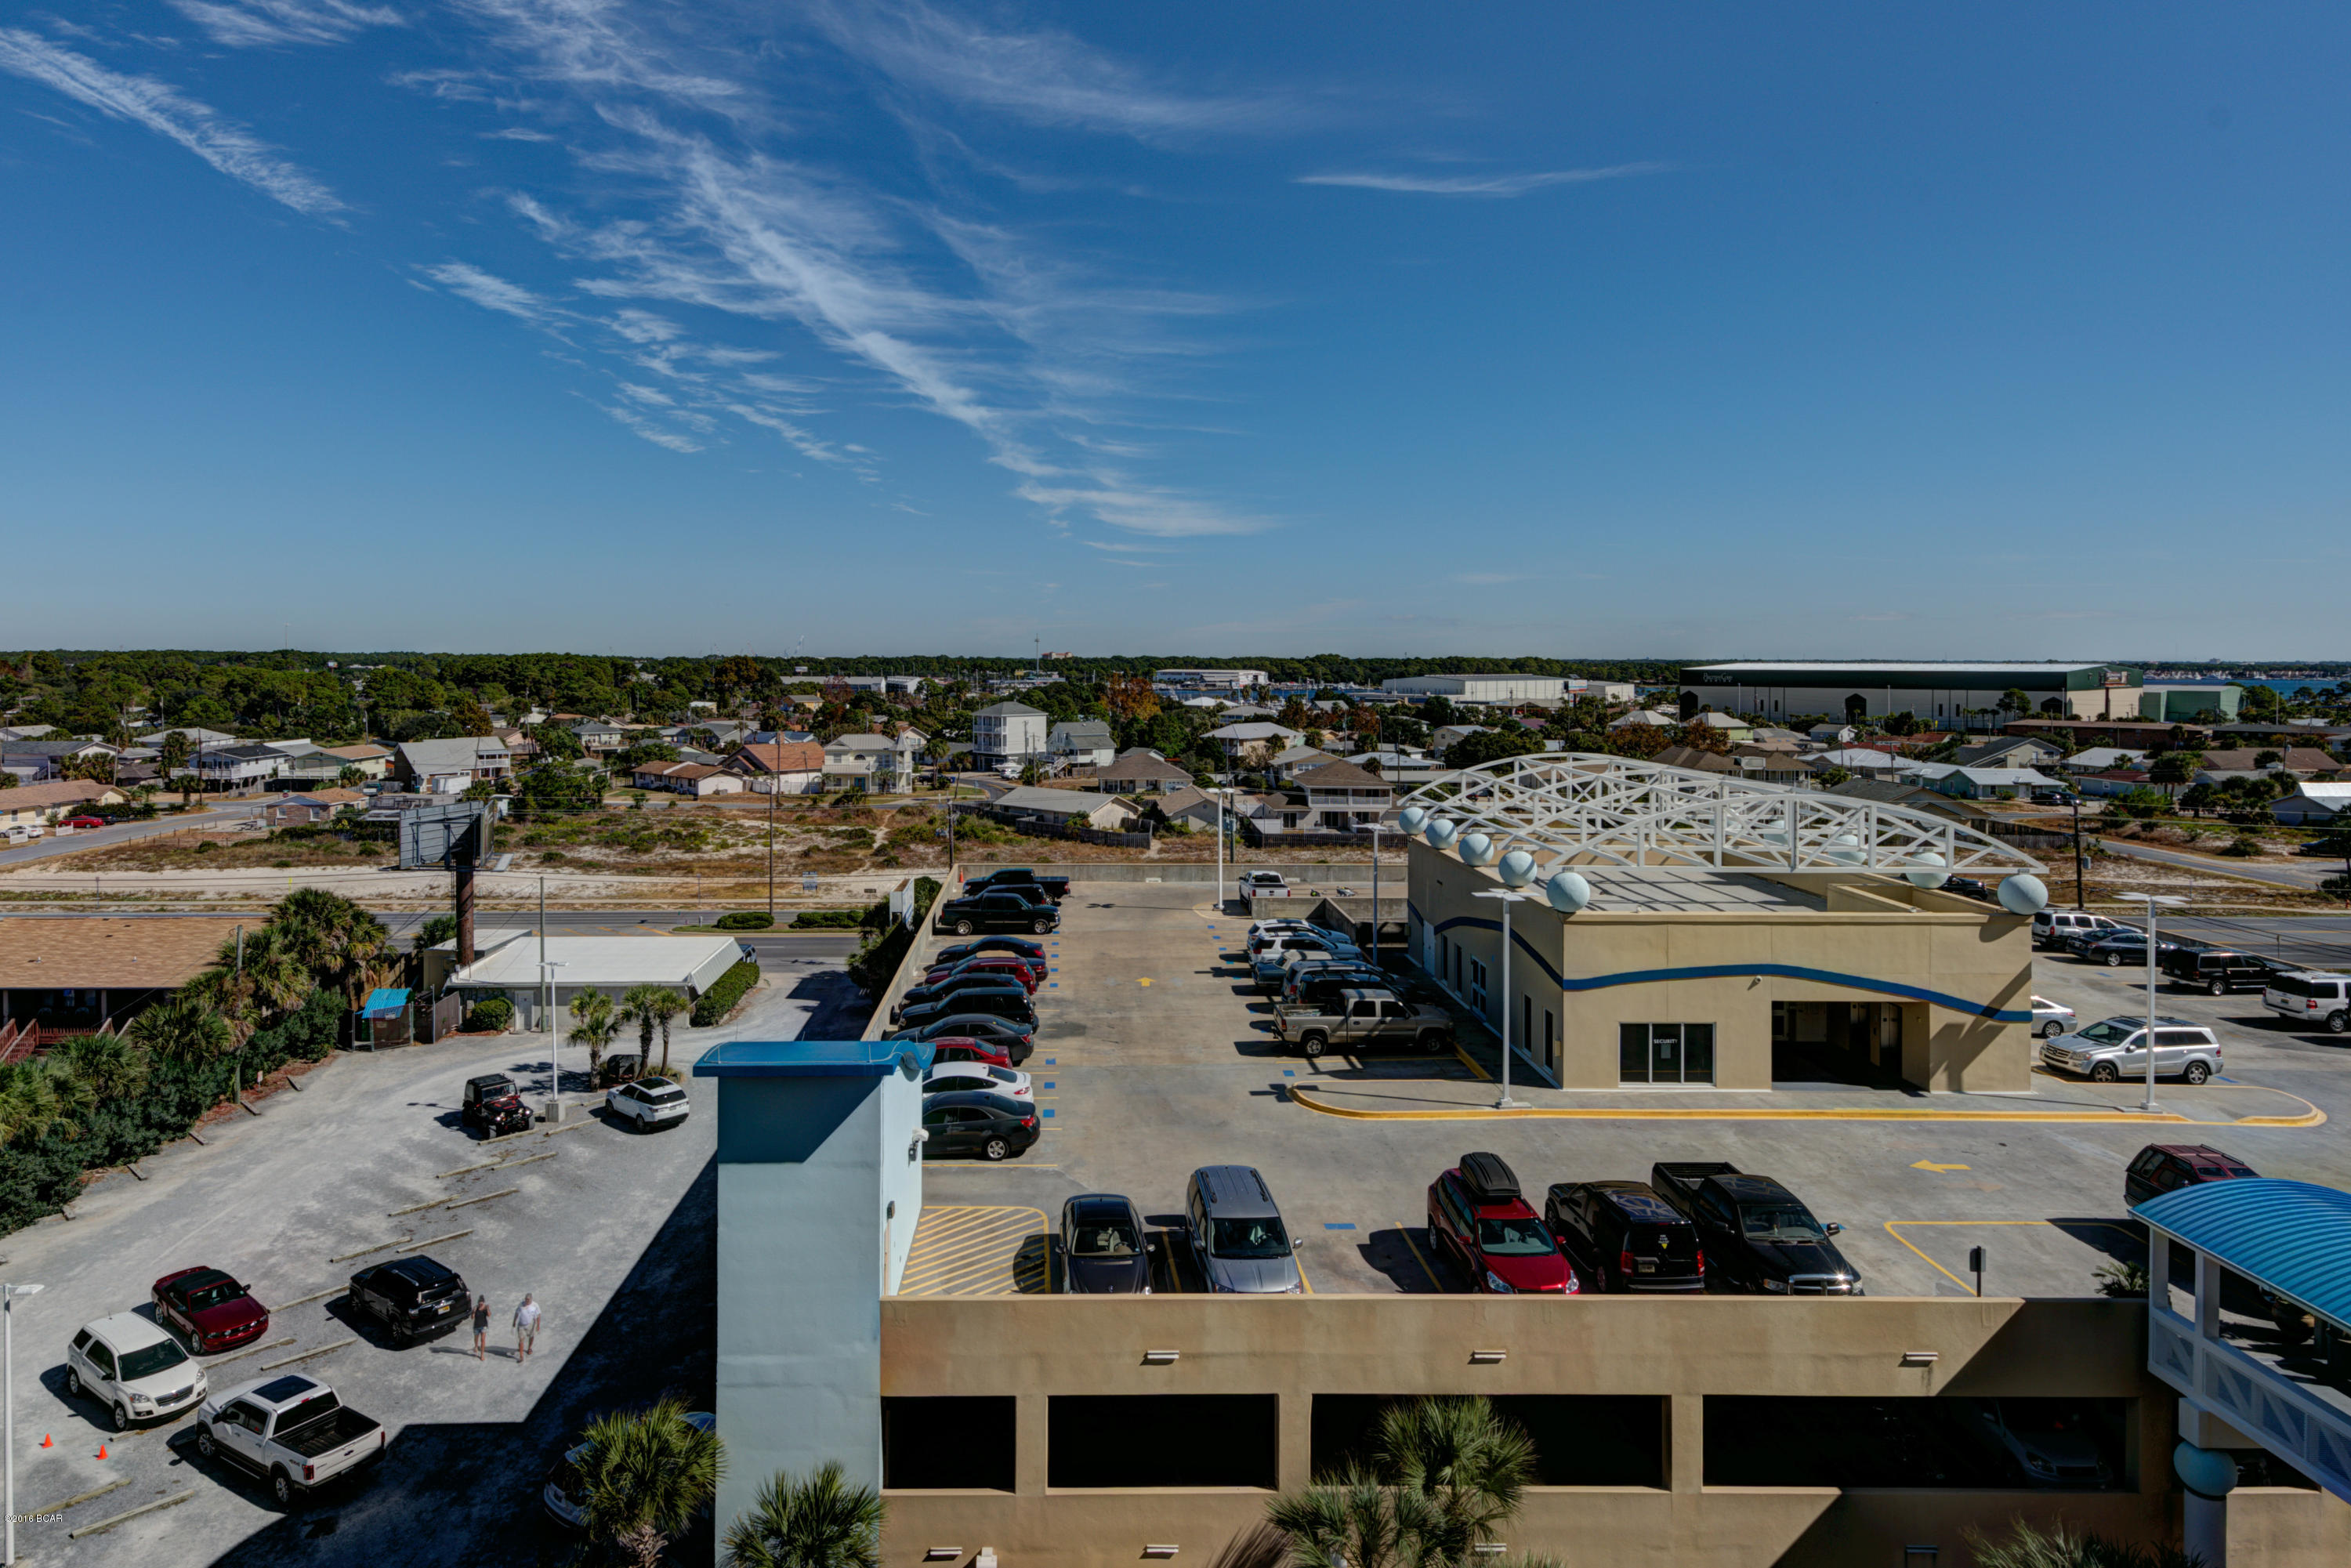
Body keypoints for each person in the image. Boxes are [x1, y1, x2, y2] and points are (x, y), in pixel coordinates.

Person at [513, 1293, 540, 1363]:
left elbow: (538, 1315)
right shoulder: (521, 1305)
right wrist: (514, 1322)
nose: (526, 1300)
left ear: (531, 1299)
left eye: (528, 1299)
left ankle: (529, 1348)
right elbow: (517, 1313)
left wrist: (538, 1325)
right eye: (526, 1299)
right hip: (521, 1326)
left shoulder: (535, 1305)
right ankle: (521, 1356)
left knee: (531, 1336)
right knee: (521, 1340)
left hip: (531, 1325)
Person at [471, 1294, 491, 1360]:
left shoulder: (485, 1308)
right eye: (480, 1304)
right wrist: (473, 1311)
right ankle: (476, 1346)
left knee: (482, 1340)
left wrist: (487, 1309)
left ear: (483, 1303)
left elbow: (489, 1315)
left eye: (482, 1304)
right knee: (476, 1339)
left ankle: (482, 1355)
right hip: (476, 1326)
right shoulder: (476, 1308)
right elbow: (472, 1318)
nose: (481, 1305)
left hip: (483, 1326)